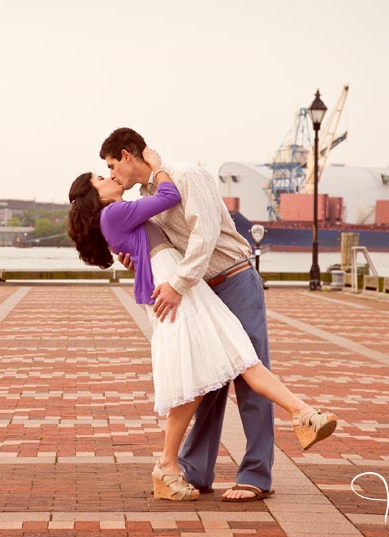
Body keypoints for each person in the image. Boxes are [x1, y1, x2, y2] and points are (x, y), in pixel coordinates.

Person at [67, 170, 337, 502]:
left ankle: (304, 414)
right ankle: (168, 465)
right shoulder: (114, 211)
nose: (109, 175)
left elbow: (154, 239)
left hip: (180, 286)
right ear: (95, 194)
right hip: (174, 290)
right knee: (209, 371)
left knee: (232, 358)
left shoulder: (119, 212)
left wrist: (137, 256)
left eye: (109, 168)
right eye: (100, 176)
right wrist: (158, 167)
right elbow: (168, 198)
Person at [99, 127, 296, 502]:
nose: (112, 174)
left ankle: (256, 474)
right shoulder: (145, 196)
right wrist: (134, 258)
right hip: (201, 289)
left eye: (111, 165)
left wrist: (177, 284)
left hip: (233, 279)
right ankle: (195, 471)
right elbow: (162, 248)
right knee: (207, 380)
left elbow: (204, 236)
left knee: (247, 369)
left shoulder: (186, 174)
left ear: (127, 155)